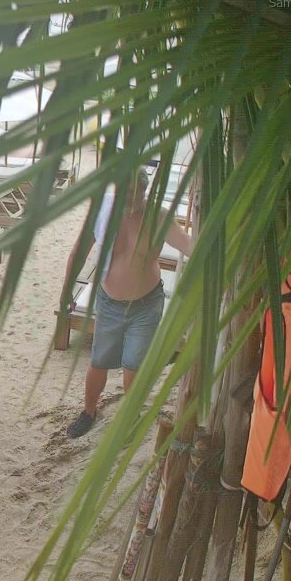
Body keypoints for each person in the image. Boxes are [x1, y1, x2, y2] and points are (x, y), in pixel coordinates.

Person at [64, 169, 193, 438]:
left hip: (146, 305)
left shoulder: (157, 217)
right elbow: (78, 252)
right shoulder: (102, 212)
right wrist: (66, 292)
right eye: (124, 192)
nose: (129, 198)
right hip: (109, 302)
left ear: (145, 191)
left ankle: (129, 418)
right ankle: (88, 412)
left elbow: (188, 245)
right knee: (99, 361)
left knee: (133, 365)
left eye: (135, 192)